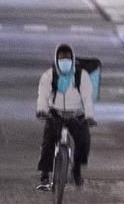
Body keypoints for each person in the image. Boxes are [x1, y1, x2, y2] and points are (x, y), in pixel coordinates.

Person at [33, 43, 94, 187]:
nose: (64, 61)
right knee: (48, 142)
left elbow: (87, 97)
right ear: (56, 59)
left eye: (67, 57)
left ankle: (77, 169)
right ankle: (45, 175)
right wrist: (42, 110)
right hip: (56, 114)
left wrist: (89, 116)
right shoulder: (49, 75)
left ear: (72, 59)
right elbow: (43, 94)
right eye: (61, 58)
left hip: (77, 115)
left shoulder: (81, 75)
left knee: (84, 141)